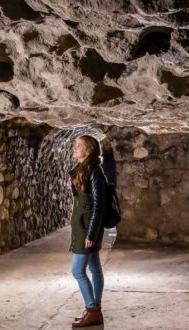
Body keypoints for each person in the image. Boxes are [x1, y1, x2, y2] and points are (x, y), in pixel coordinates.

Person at [68, 135, 106, 327]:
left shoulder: (94, 172)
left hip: (88, 227)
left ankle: (91, 309)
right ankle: (95, 310)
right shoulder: (82, 170)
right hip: (83, 225)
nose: (74, 148)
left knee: (77, 271)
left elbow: (98, 205)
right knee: (94, 268)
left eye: (79, 145)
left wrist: (91, 234)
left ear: (89, 150)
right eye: (75, 145)